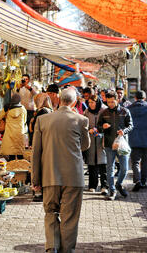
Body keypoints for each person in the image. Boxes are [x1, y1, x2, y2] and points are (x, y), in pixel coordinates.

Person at [32, 87, 90, 253]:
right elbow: (85, 146)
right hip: (73, 177)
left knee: (50, 213)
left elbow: (36, 152)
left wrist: (35, 179)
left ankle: (52, 247)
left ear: (59, 99)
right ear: (74, 102)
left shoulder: (43, 120)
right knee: (70, 217)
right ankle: (67, 250)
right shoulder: (81, 120)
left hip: (49, 175)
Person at [97, 91, 133, 200]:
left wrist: (124, 131)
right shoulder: (104, 112)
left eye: (112, 102)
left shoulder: (125, 111)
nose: (111, 104)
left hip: (122, 144)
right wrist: (103, 126)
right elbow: (98, 127)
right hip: (109, 144)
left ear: (117, 100)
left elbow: (131, 125)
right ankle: (112, 191)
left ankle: (119, 184)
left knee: (125, 168)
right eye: (108, 102)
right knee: (110, 168)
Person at [83, 95, 108, 195]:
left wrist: (100, 128)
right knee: (91, 164)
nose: (91, 104)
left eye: (93, 102)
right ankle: (92, 185)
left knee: (103, 164)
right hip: (91, 140)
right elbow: (84, 124)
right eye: (89, 102)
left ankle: (104, 186)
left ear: (97, 102)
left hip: (102, 140)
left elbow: (108, 123)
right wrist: (88, 130)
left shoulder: (104, 110)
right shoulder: (87, 112)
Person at [128, 90, 147, 191]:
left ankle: (138, 181)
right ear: (144, 98)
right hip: (146, 139)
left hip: (133, 139)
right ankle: (144, 181)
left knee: (135, 161)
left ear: (135, 98)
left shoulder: (129, 108)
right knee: (145, 162)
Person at [0, 93, 27, 161]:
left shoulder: (7, 108)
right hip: (20, 132)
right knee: (19, 151)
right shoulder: (23, 109)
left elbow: (0, 117)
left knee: (11, 152)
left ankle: (11, 167)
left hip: (9, 132)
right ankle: (21, 167)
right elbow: (24, 120)